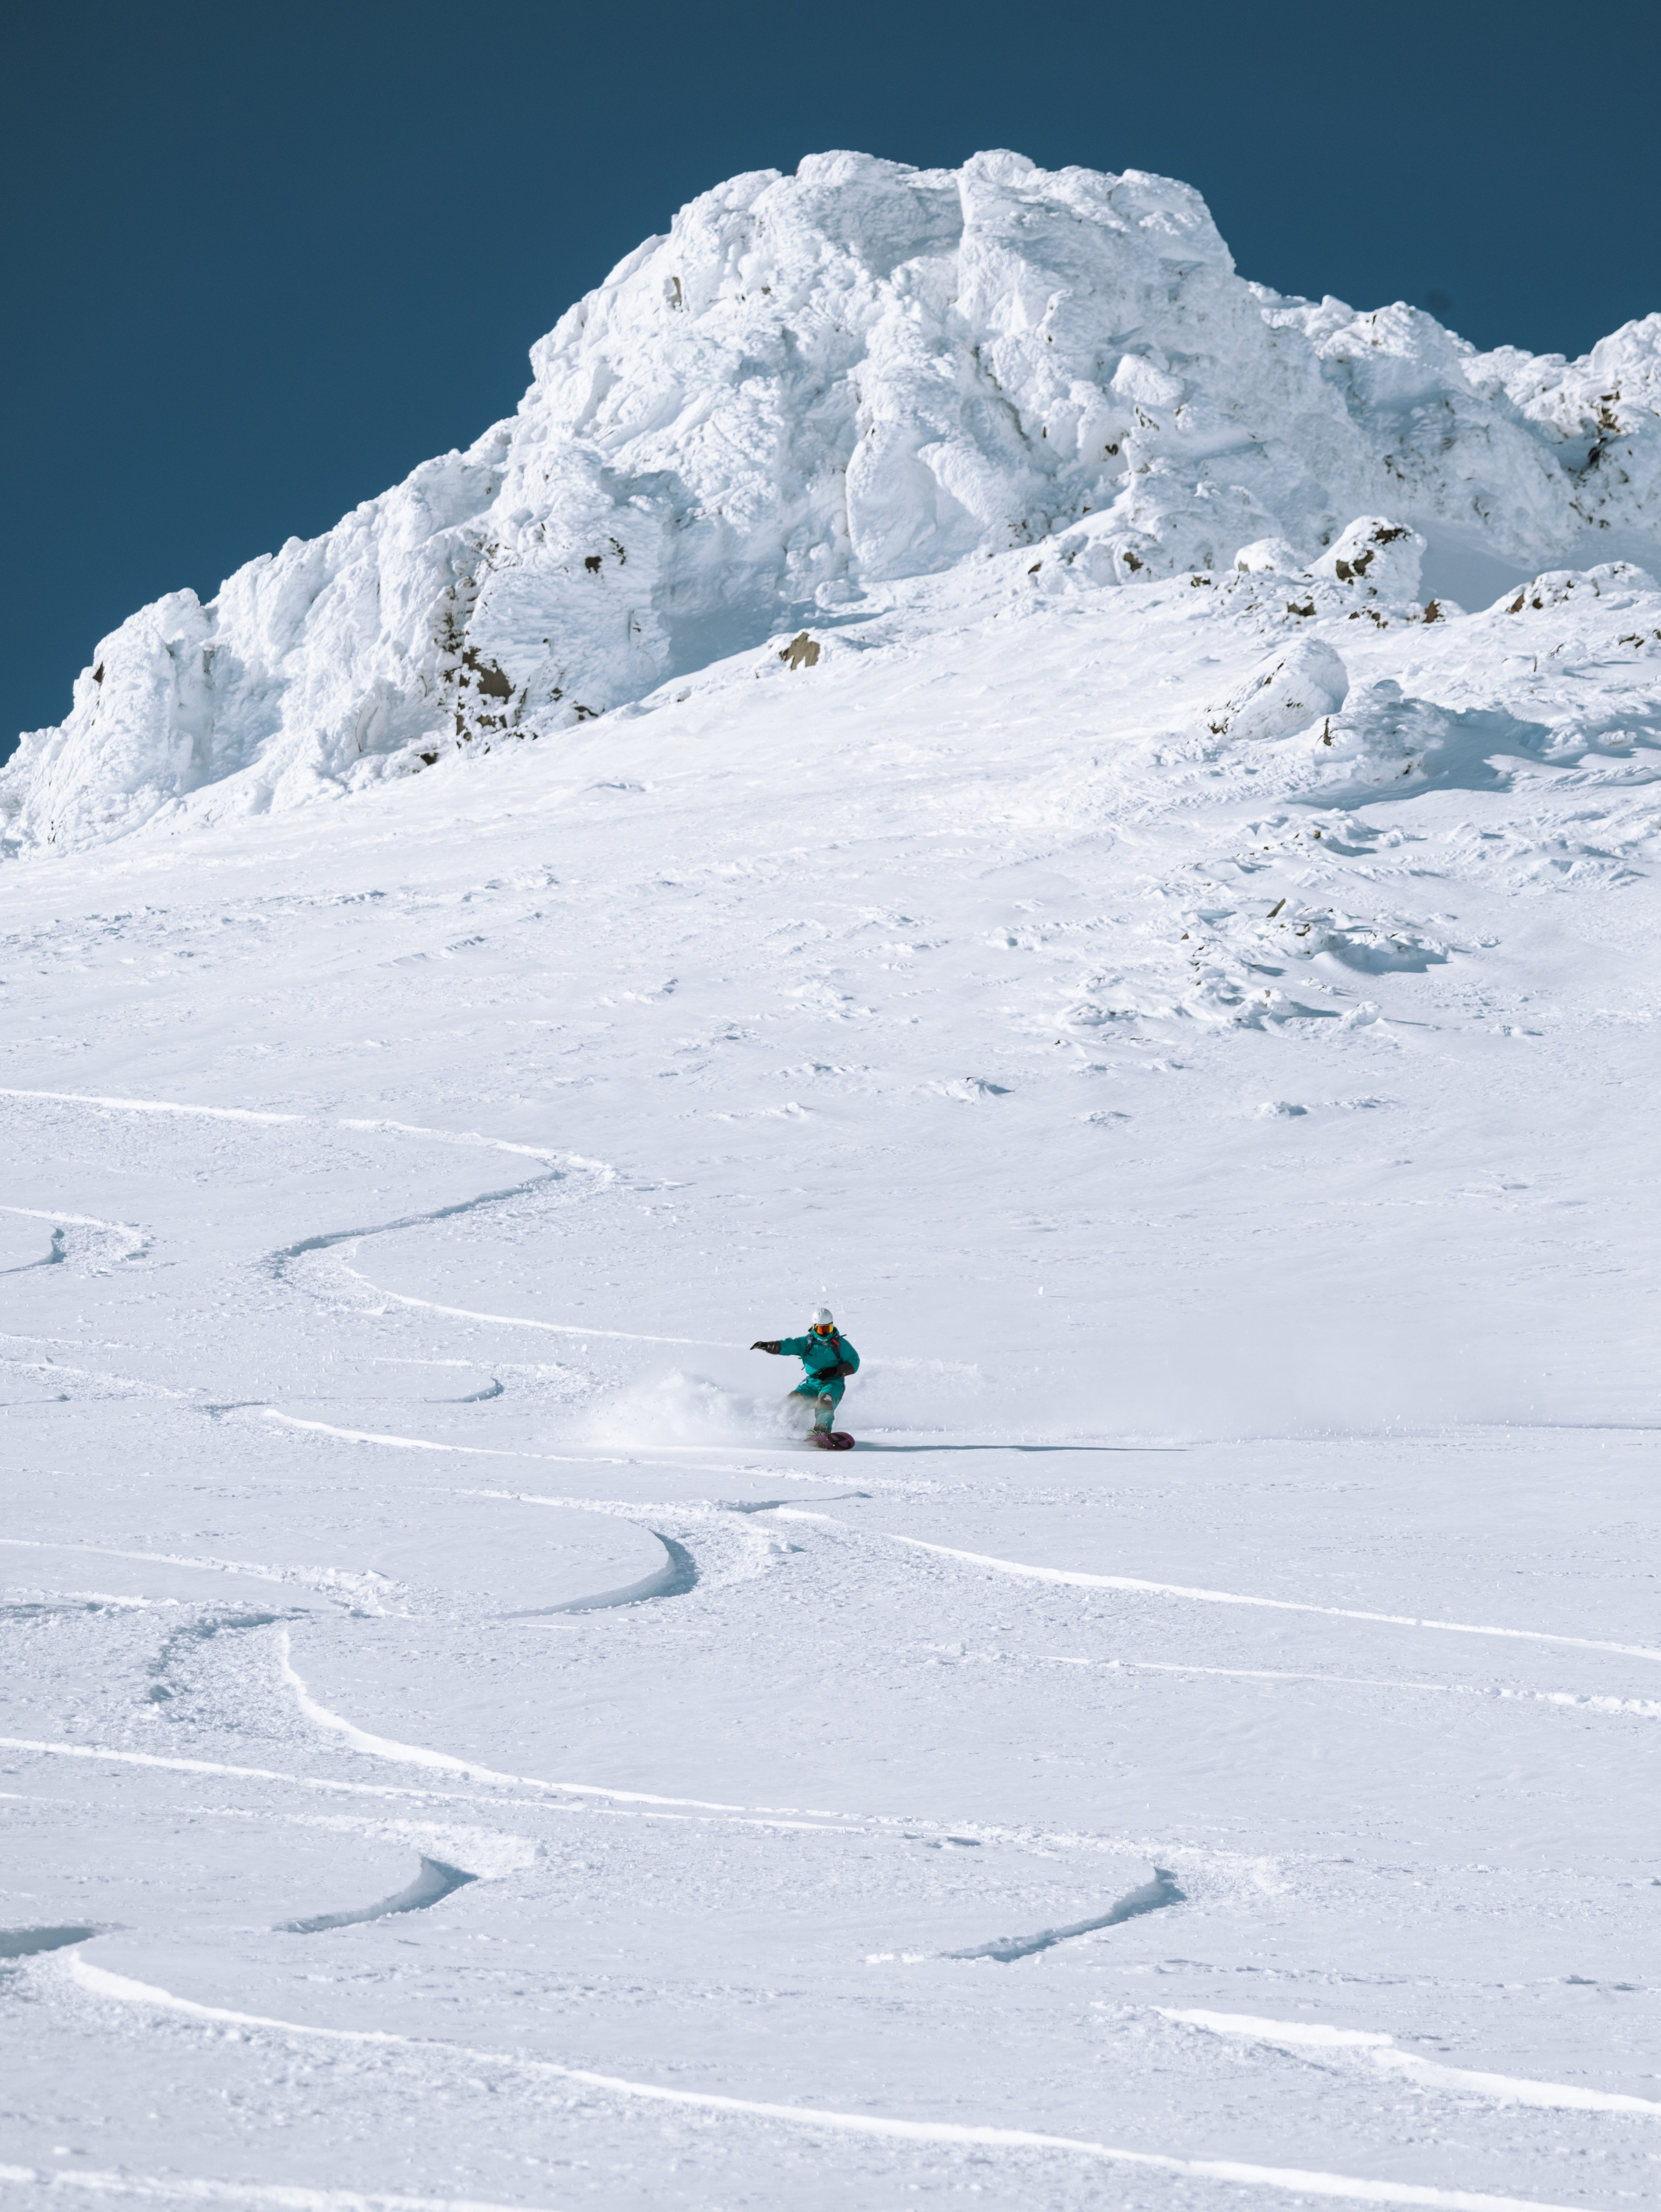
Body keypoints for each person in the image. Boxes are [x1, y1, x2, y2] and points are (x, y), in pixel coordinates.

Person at [751, 1306, 860, 1440]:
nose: (825, 1334)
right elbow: (787, 1346)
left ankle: (822, 1430)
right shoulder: (806, 1343)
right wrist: (768, 1346)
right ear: (814, 1327)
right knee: (793, 1400)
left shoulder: (840, 1344)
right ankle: (786, 1428)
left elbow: (854, 1362)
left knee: (825, 1401)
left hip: (833, 1383)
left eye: (828, 1329)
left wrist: (835, 1371)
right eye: (821, 1330)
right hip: (812, 1383)